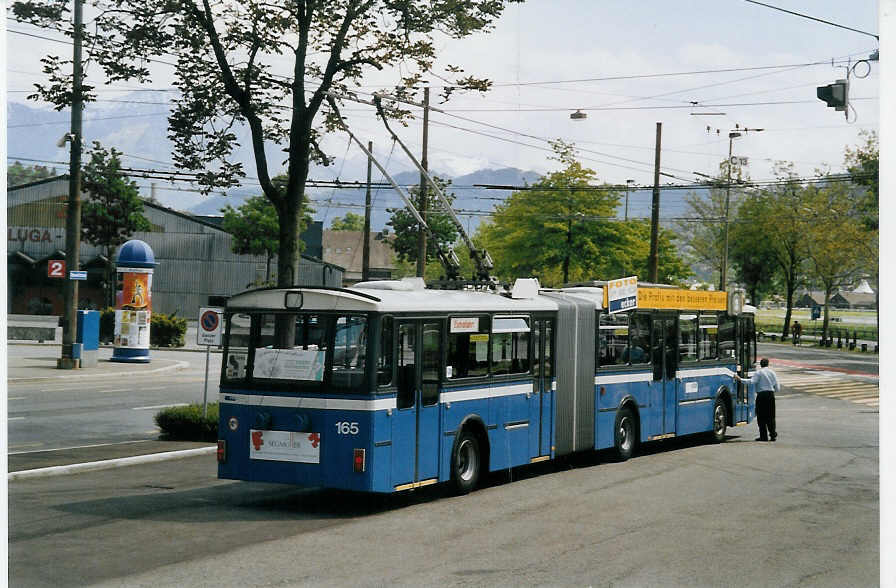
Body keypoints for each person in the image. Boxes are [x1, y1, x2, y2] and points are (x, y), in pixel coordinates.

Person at [735, 357, 778, 442]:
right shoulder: (773, 372)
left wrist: (740, 379)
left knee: (761, 416)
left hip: (761, 396)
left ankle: (763, 436)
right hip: (770, 395)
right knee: (771, 416)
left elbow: (751, 382)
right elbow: (777, 387)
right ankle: (773, 435)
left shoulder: (759, 372)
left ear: (761, 364)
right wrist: (771, 391)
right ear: (768, 364)